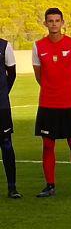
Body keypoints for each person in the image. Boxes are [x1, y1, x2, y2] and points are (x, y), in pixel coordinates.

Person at [33, 8, 71, 197]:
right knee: (48, 145)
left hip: (69, 104)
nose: (54, 24)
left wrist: (68, 90)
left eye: (57, 20)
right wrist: (51, 90)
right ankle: (50, 185)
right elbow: (39, 75)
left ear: (63, 23)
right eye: (50, 20)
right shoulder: (38, 46)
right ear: (45, 23)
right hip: (47, 105)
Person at [0, 36, 20, 198]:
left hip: (1, 106)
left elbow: (11, 73)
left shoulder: (4, 46)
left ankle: (12, 187)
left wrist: (3, 93)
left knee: (6, 143)